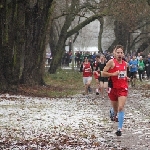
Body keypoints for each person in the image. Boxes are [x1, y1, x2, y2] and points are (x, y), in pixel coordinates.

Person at [101, 45, 130, 136]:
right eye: (118, 52)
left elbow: (124, 74)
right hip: (113, 88)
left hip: (123, 88)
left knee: (121, 107)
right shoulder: (111, 62)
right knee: (116, 109)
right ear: (115, 53)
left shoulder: (125, 64)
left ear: (123, 54)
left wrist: (127, 78)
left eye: (121, 52)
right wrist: (113, 74)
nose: (119, 54)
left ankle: (119, 129)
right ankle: (112, 111)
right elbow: (103, 73)